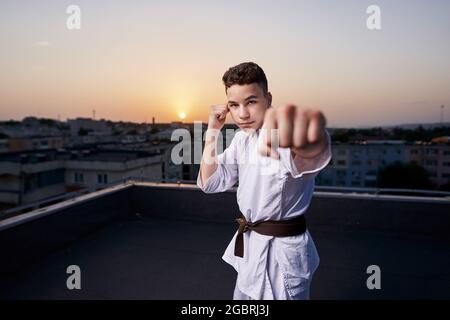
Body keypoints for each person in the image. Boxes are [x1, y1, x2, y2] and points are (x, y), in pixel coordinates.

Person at [197, 62, 332, 300]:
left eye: (251, 102)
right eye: (234, 105)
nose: (242, 114)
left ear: (268, 99)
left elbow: (309, 154)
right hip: (252, 247)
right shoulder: (241, 139)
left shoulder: (281, 135)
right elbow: (209, 183)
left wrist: (308, 137)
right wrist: (212, 131)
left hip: (284, 256)